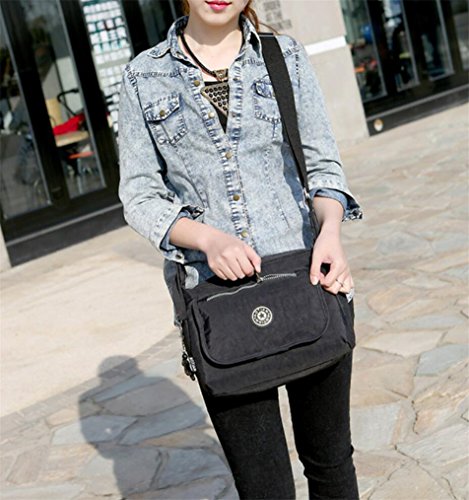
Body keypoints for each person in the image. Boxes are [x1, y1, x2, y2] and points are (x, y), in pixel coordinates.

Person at [117, 0, 364, 497]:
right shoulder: (143, 77)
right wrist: (206, 238)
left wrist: (332, 233)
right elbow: (139, 195)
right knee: (263, 486)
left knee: (331, 464)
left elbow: (323, 168)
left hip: (307, 280)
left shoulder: (284, 57)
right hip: (216, 303)